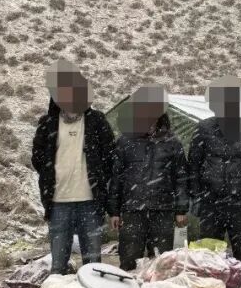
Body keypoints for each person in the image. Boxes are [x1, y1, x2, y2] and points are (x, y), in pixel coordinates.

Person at [31, 60, 117, 274]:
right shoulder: (47, 123)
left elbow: (109, 157)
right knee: (58, 265)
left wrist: (99, 180)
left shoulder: (97, 121)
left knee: (93, 265)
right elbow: (38, 159)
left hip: (90, 202)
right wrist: (52, 175)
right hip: (58, 202)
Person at [188, 77, 241, 288]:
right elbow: (193, 164)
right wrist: (195, 195)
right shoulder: (204, 128)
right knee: (209, 251)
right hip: (210, 201)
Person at [109, 85, 189, 271]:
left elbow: (181, 178)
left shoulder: (172, 142)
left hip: (163, 210)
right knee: (129, 261)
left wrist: (181, 209)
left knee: (162, 263)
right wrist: (114, 211)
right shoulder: (125, 141)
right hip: (132, 210)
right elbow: (116, 178)